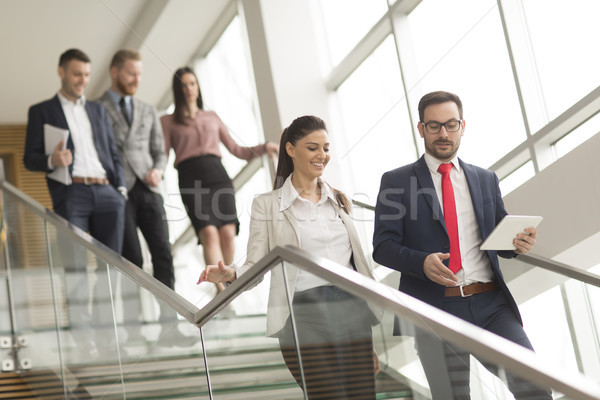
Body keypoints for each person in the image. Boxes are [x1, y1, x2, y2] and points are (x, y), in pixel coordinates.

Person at [372, 91, 552, 399]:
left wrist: (517, 242)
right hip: (435, 308)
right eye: (434, 125)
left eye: (451, 124)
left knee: (534, 386)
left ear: (462, 126)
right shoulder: (397, 181)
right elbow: (383, 246)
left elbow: (497, 236)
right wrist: (421, 262)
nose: (443, 133)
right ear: (421, 129)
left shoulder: (485, 178)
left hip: (491, 304)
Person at [198, 115, 382, 399]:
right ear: (290, 149)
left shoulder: (340, 200)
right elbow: (256, 266)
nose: (322, 155)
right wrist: (231, 274)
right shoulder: (267, 205)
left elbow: (354, 265)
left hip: (352, 311)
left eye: (326, 148)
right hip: (303, 315)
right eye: (312, 148)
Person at [23, 48, 126, 356]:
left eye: (86, 75)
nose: (82, 80)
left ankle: (107, 336)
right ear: (61, 72)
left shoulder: (97, 110)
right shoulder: (41, 110)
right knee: (77, 268)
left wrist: (119, 188)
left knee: (111, 268)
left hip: (107, 193)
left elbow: (113, 152)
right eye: (76, 74)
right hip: (73, 195)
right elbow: (30, 159)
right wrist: (51, 159)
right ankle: (83, 338)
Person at [96, 49, 197, 347]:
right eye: (131, 74)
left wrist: (156, 169)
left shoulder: (148, 109)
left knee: (163, 255)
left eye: (139, 75)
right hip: (117, 191)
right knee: (132, 261)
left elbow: (158, 151)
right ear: (115, 72)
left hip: (150, 190)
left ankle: (169, 328)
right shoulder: (96, 109)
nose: (136, 80)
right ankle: (133, 330)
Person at [161, 67, 278, 293]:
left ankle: (227, 279)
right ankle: (220, 291)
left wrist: (264, 148)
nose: (189, 89)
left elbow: (236, 149)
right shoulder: (168, 122)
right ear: (178, 90)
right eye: (184, 85)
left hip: (218, 177)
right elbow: (163, 155)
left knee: (226, 232)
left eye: (192, 83)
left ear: (198, 87)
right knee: (209, 233)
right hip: (190, 178)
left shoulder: (211, 116)